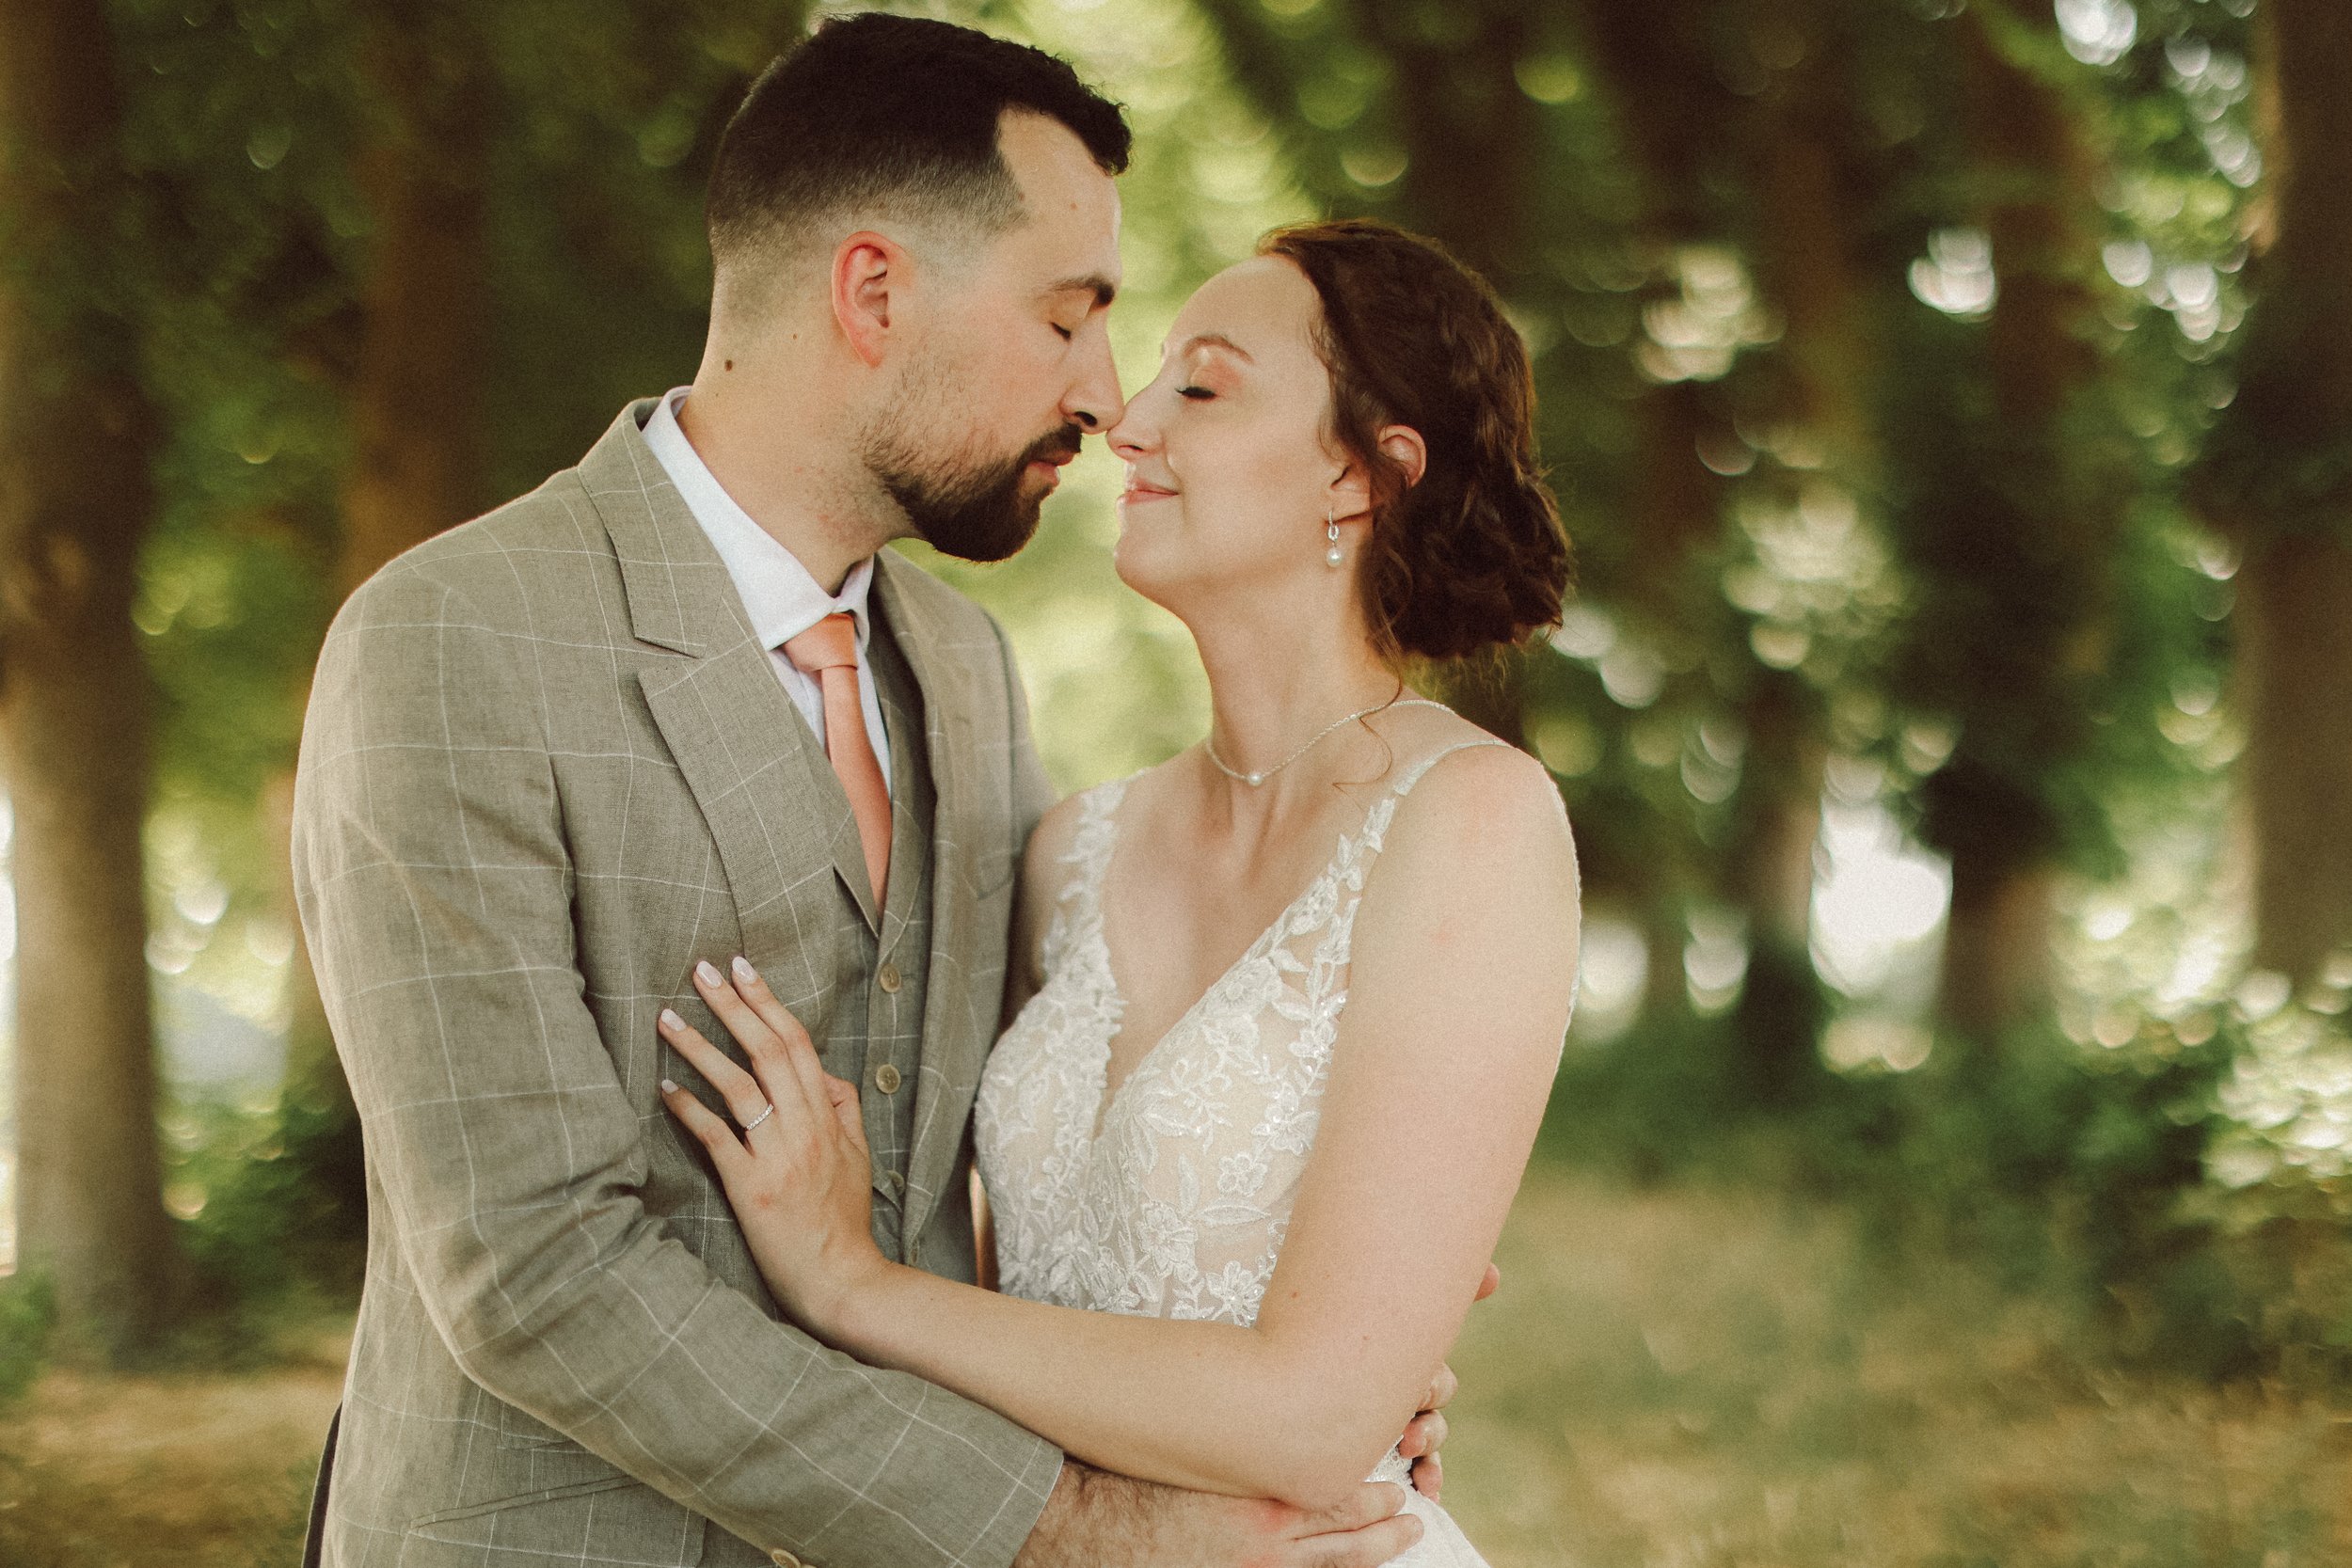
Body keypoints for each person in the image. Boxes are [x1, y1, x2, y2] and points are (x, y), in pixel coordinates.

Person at [291, 14, 1468, 1568]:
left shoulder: (967, 675)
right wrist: (1078, 1529)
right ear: (874, 291)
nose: (1104, 396)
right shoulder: (453, 641)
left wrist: (1303, 1345)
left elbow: (1032, 1153)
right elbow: (529, 1273)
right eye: (1067, 319)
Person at [654, 216, 1581, 1568]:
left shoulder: (1473, 825)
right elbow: (1010, 1277)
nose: (1129, 423)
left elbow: (1318, 1420)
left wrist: (852, 1285)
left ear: (1363, 477)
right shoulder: (1068, 849)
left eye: (1201, 386)